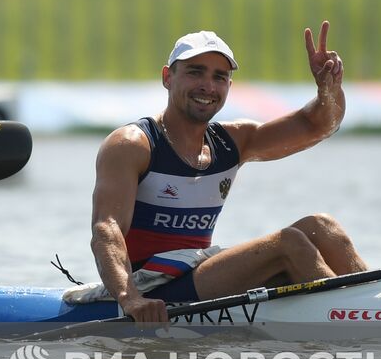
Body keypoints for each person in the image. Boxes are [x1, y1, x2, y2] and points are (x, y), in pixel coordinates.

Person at [89, 22, 366, 323]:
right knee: (289, 243)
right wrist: (131, 299)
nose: (208, 86)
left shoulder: (233, 141)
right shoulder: (132, 145)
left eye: (219, 77)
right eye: (195, 72)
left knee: (322, 227)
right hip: (150, 286)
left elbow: (319, 126)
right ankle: (358, 321)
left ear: (228, 88)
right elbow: (106, 228)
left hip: (196, 273)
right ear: (168, 77)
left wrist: (329, 88)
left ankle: (377, 300)